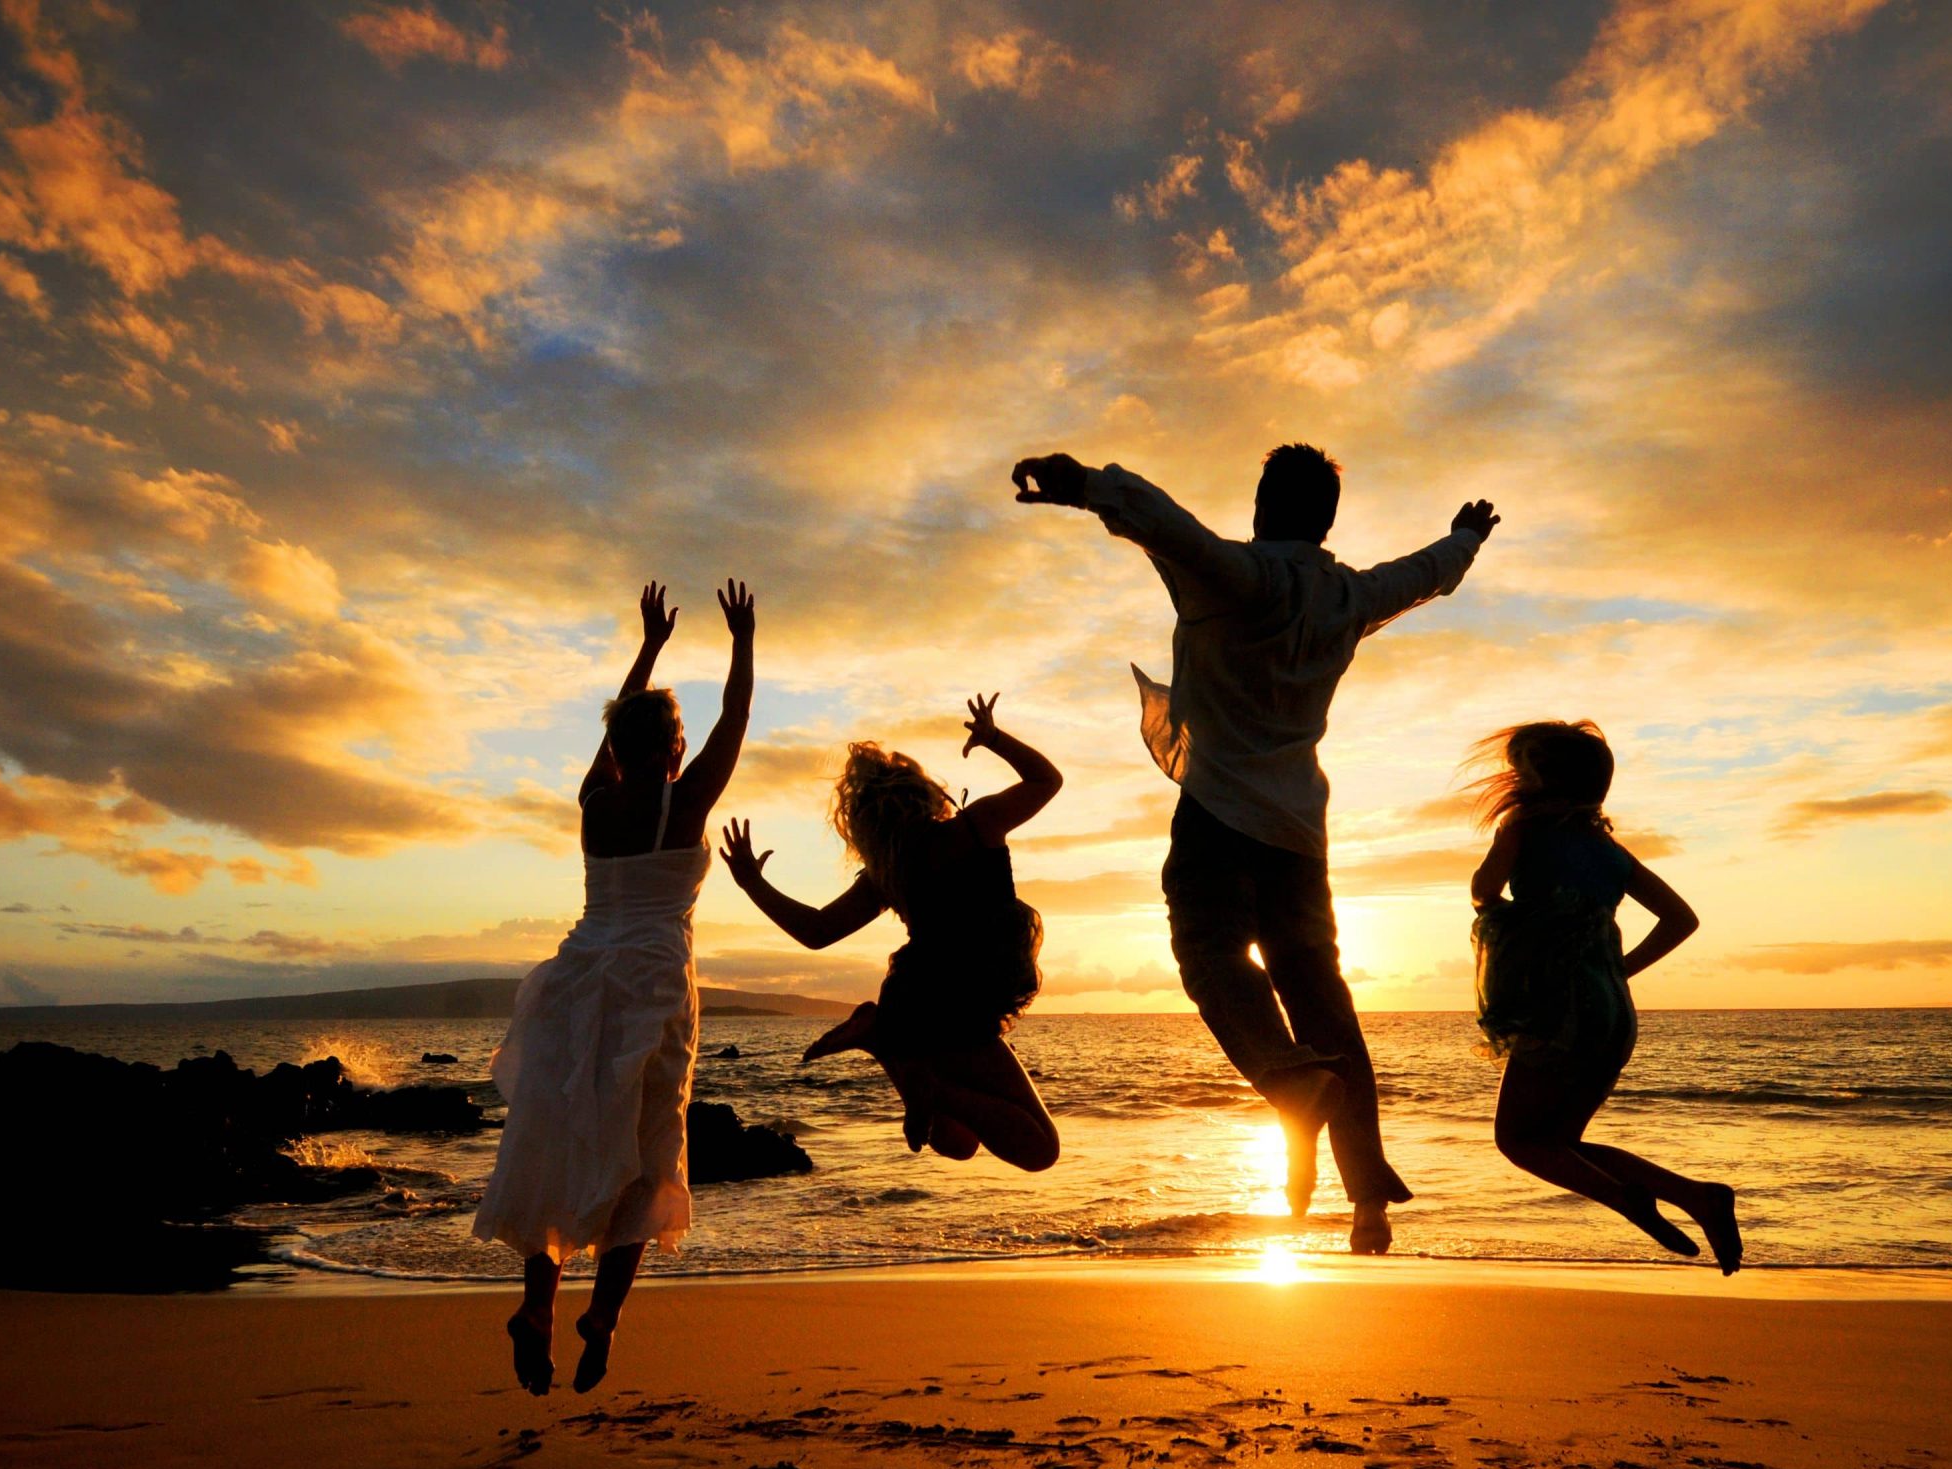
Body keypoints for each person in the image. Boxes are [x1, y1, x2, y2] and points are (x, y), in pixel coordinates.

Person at [1010, 444, 1497, 1253]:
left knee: (1208, 956)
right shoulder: (1350, 596)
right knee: (1322, 999)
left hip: (1218, 816)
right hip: (1301, 836)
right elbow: (1423, 574)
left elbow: (1168, 527)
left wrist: (1082, 485)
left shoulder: (1237, 577)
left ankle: (1289, 1081)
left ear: (1262, 504)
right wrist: (1466, 540)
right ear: (1326, 520)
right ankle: (1367, 1191)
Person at [474, 579, 756, 1395]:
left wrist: (651, 647)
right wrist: (740, 641)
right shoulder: (686, 801)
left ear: (615, 750)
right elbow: (734, 720)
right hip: (652, 992)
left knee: (560, 1138)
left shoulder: (595, 802)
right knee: (648, 1148)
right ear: (673, 751)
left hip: (575, 981)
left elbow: (622, 731)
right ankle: (605, 1314)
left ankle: (539, 1306)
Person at [719, 693, 1060, 1172]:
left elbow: (816, 931)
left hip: (922, 1001)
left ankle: (884, 1041)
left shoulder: (891, 870)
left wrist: (753, 884)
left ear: (864, 824)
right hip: (964, 1001)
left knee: (957, 1142)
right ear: (922, 792)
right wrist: (995, 739)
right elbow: (1047, 781)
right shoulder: (975, 826)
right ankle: (893, 1048)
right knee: (1040, 1150)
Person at [1466, 720, 1741, 1273]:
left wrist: (1516, 908)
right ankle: (1699, 1196)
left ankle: (1627, 1197)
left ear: (1539, 777)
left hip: (1552, 1007)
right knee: (1559, 1142)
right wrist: (1618, 970)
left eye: (1519, 767)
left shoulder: (1522, 824)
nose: (1511, 778)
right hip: (1612, 1012)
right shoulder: (1609, 849)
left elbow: (1482, 891)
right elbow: (1680, 919)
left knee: (1519, 1141)